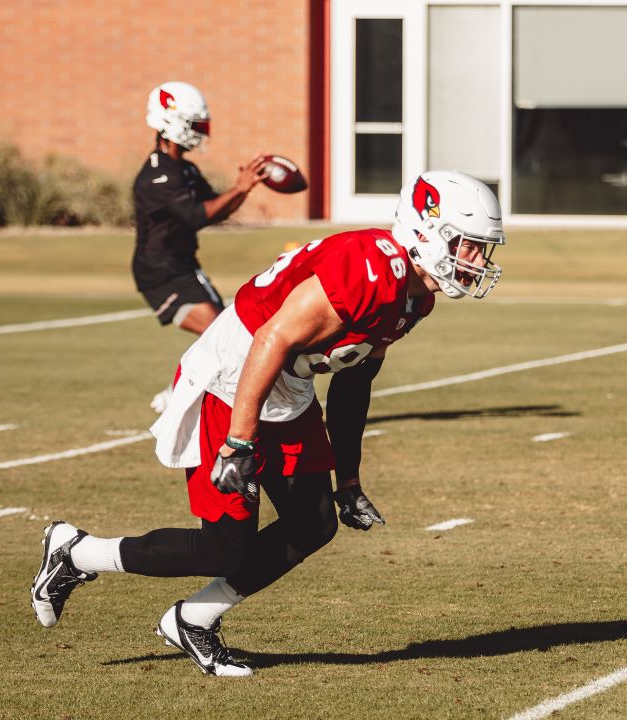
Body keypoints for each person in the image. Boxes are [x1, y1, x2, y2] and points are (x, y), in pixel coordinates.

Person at [31, 171, 507, 676]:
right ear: (424, 231)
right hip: (236, 379)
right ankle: (78, 552)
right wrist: (240, 441)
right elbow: (269, 340)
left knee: (315, 521)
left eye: (481, 249)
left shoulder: (416, 297)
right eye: (467, 245)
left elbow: (354, 383)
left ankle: (193, 619)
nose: (475, 261)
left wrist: (349, 478)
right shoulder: (365, 268)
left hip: (287, 386)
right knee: (224, 549)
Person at [134, 81, 272, 412]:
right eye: (194, 125)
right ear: (171, 123)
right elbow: (198, 215)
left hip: (184, 266)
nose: (199, 132)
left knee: (228, 334)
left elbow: (214, 208)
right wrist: (238, 189)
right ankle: (178, 398)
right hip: (161, 271)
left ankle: (181, 393)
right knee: (220, 336)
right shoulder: (157, 176)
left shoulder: (186, 169)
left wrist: (242, 190)